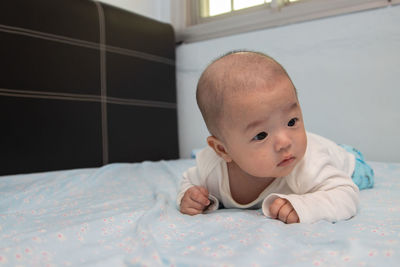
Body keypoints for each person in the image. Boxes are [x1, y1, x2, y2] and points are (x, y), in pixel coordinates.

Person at [177, 51, 374, 224]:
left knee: (360, 177)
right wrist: (190, 198)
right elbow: (188, 181)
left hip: (349, 161)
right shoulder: (211, 170)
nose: (285, 142)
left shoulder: (306, 165)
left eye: (291, 122)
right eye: (261, 135)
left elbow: (346, 195)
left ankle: (340, 151)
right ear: (222, 150)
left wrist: (305, 205)